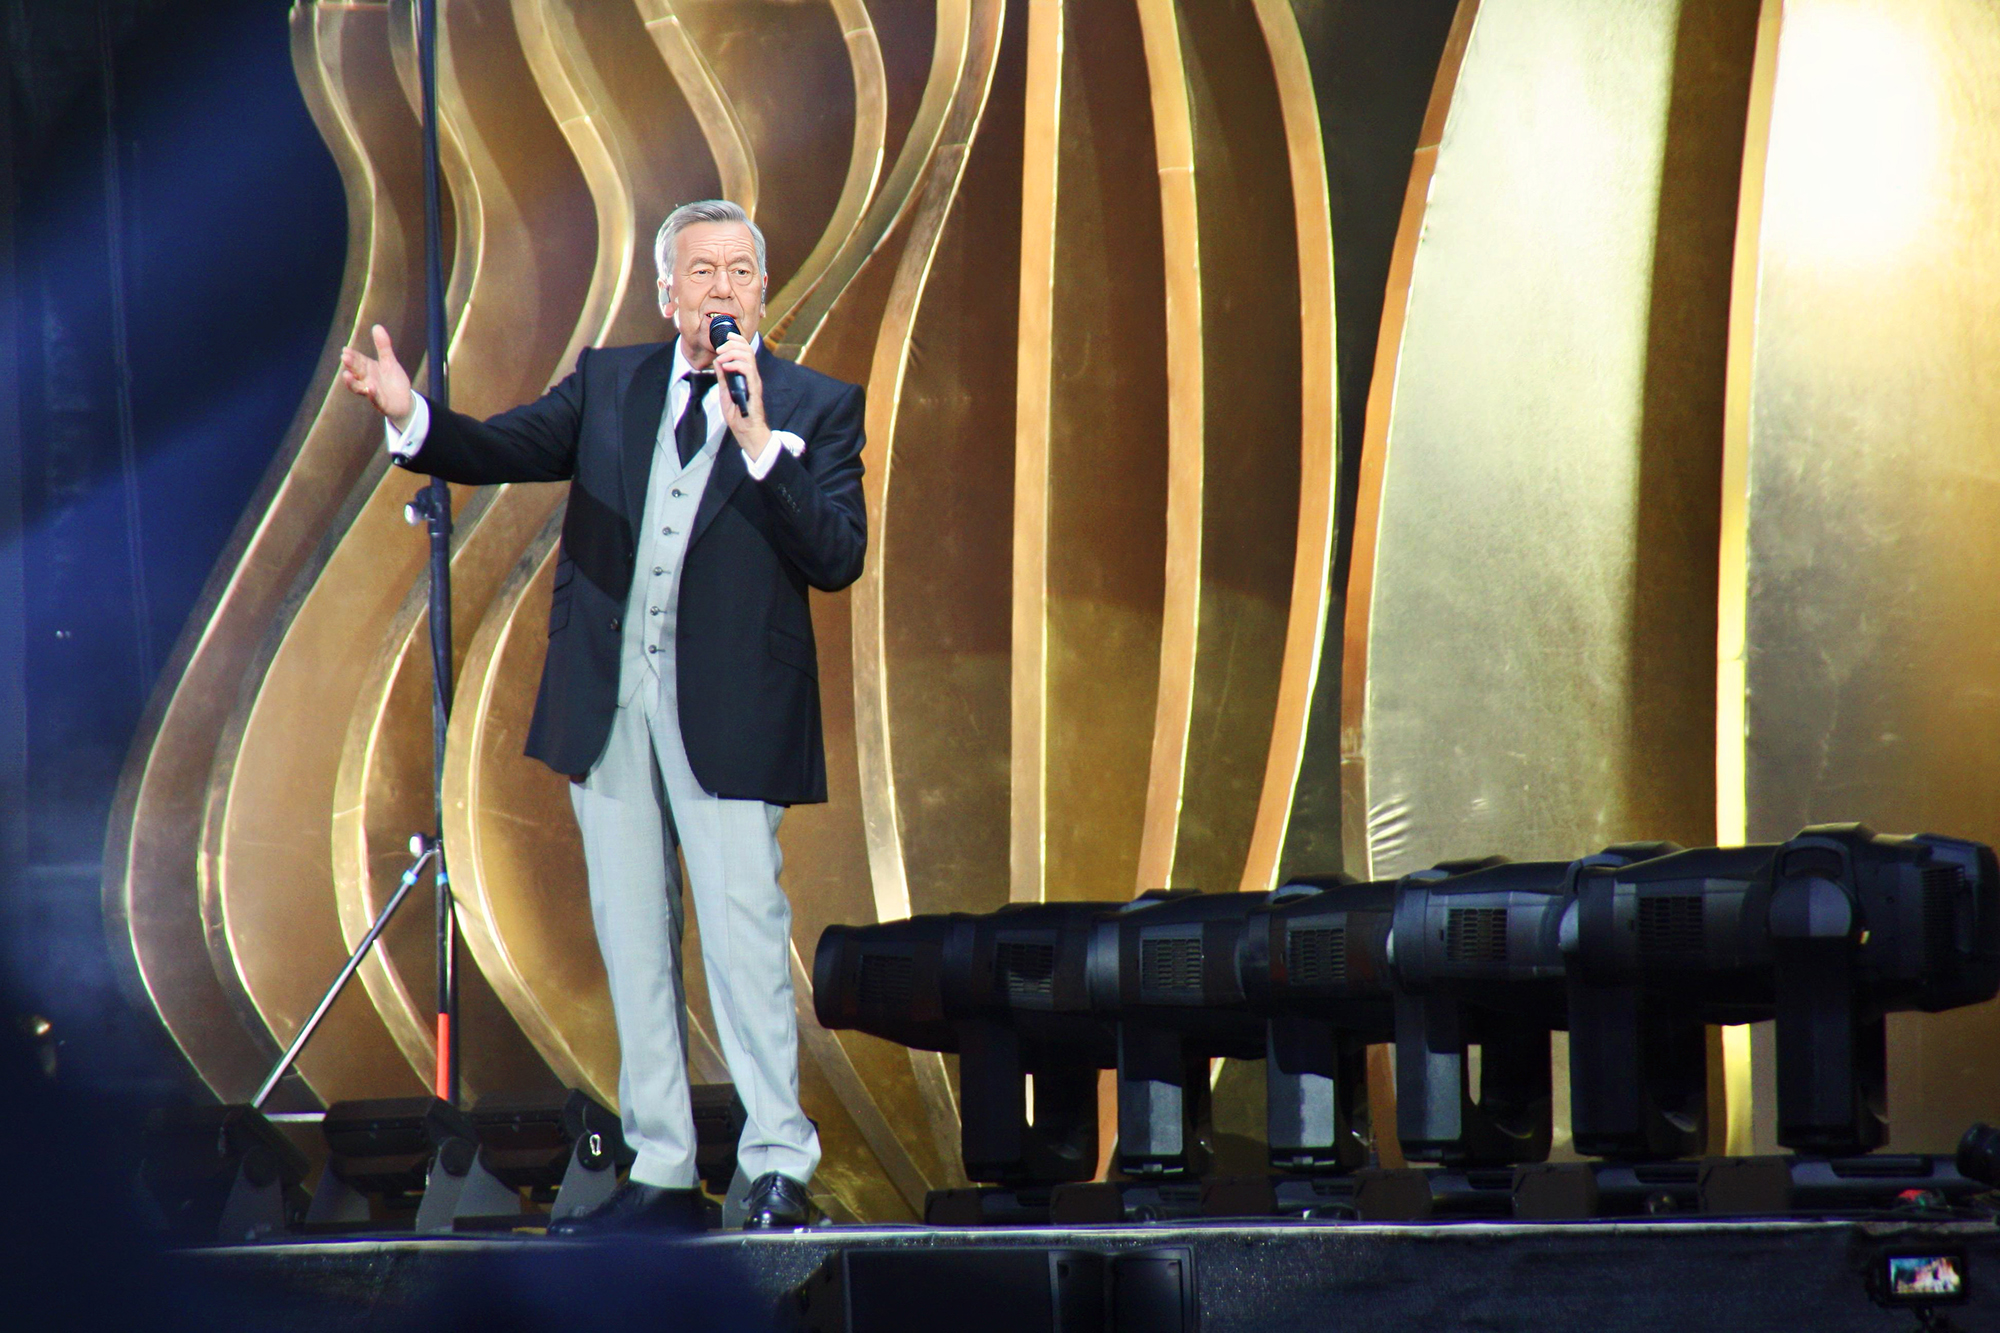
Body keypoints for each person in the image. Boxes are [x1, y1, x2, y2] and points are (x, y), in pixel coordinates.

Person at [338, 199, 866, 1233]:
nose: (721, 290)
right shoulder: (613, 383)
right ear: (667, 294)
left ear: (764, 292)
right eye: (700, 273)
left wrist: (761, 445)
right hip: (610, 699)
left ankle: (774, 1164)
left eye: (740, 273)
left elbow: (837, 555)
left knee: (744, 937)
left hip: (733, 710)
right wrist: (411, 413)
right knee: (632, 938)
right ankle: (663, 1170)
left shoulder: (813, 402)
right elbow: (499, 449)